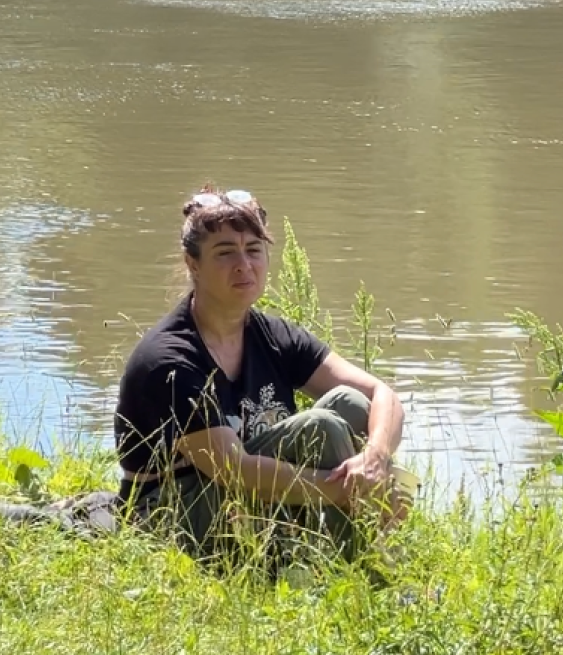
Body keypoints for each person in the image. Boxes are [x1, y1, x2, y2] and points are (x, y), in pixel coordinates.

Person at [113, 186, 410, 566]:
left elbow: (383, 394)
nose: (244, 264)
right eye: (225, 253)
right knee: (321, 426)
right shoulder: (169, 359)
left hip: (246, 504)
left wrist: (375, 459)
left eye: (253, 249)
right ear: (193, 264)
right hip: (168, 516)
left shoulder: (272, 336)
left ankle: (335, 556)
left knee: (352, 405)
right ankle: (368, 570)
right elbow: (232, 470)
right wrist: (352, 492)